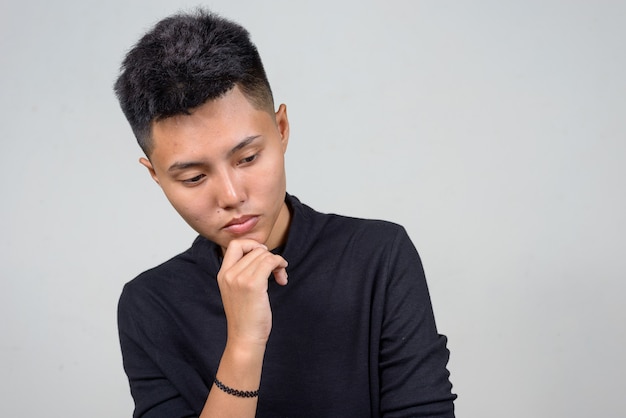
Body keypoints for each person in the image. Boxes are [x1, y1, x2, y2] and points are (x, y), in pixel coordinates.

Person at [114, 8, 456, 418]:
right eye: (193, 178)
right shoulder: (151, 304)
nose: (231, 195)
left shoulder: (377, 256)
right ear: (154, 175)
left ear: (282, 129)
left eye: (248, 157)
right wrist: (243, 345)